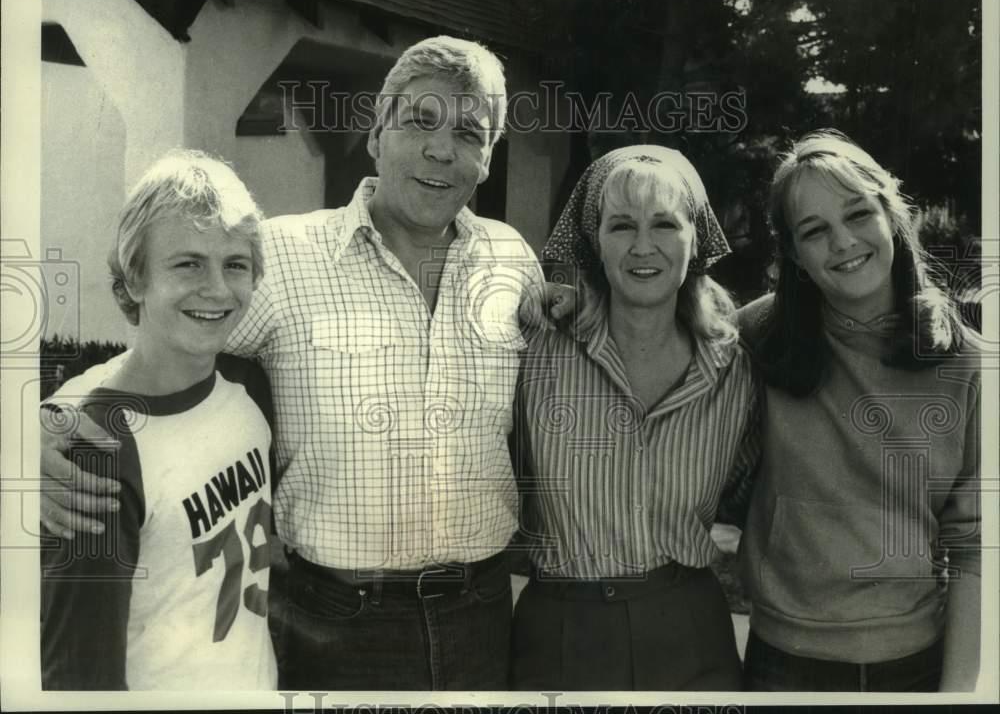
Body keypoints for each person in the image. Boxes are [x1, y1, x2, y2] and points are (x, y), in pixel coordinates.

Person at [39, 36, 558, 691]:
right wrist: (46, 420)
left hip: (482, 619)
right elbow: (162, 348)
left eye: (469, 132)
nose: (441, 148)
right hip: (337, 626)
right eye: (420, 121)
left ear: (487, 158)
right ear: (377, 133)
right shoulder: (284, 257)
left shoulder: (511, 261)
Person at [735, 130, 981, 692]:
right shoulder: (757, 334)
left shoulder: (963, 359)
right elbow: (663, 340)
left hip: (913, 660)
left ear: (893, 217)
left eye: (857, 214)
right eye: (814, 231)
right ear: (794, 255)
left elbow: (975, 545)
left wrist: (957, 694)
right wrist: (575, 299)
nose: (843, 242)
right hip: (782, 659)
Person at [510, 145, 757, 690]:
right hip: (561, 634)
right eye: (621, 226)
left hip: (692, 635)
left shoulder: (733, 369)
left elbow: (750, 492)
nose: (643, 246)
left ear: (697, 239)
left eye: (665, 224)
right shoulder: (537, 346)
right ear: (594, 242)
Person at [40, 151, 277, 690]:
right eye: (188, 263)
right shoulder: (94, 451)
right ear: (135, 280)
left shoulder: (249, 392)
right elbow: (78, 680)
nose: (217, 288)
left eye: (234, 263)